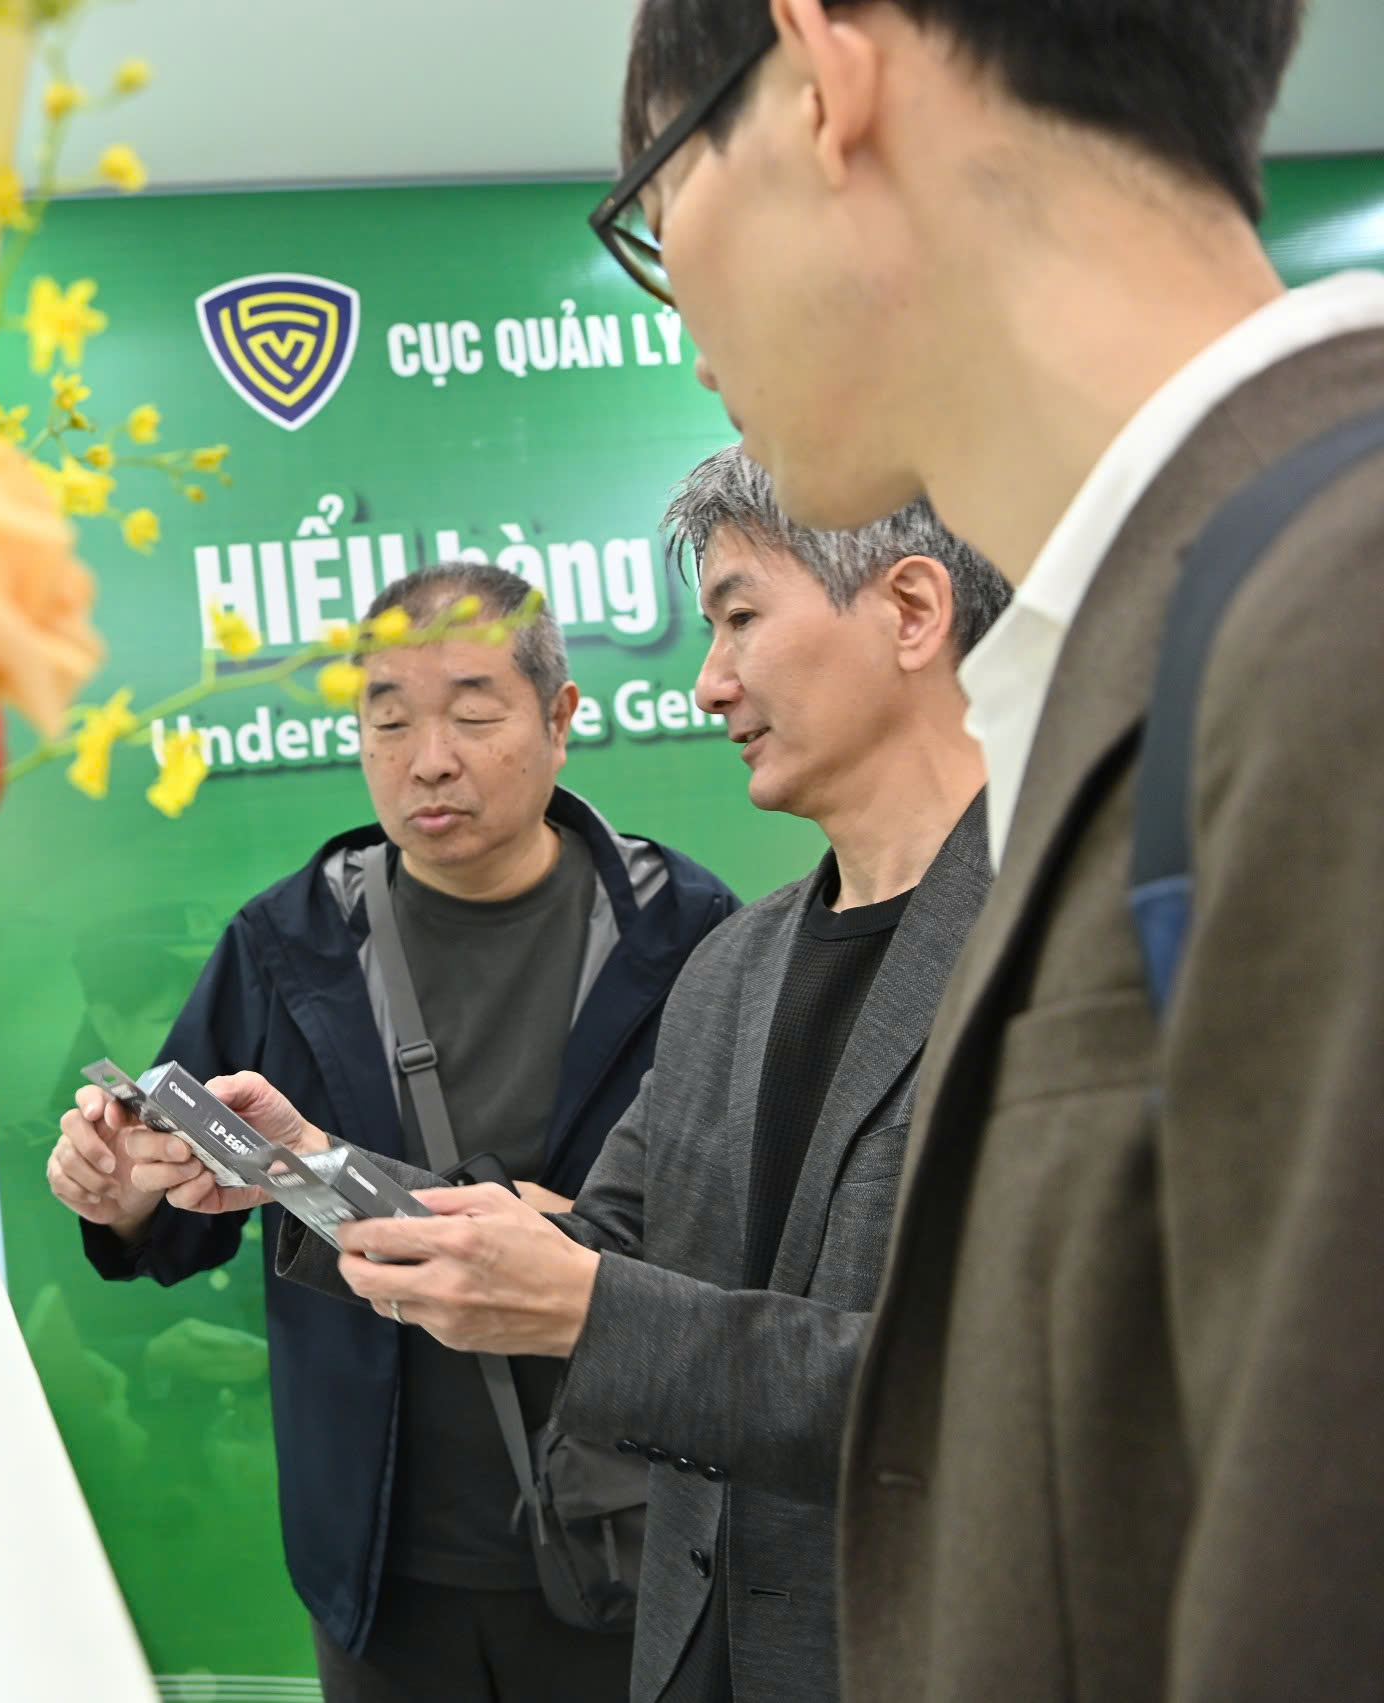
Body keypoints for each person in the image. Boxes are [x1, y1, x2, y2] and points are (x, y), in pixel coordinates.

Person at [600, 2, 1384, 1698]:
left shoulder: (1337, 626)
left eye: (659, 206)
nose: (689, 333)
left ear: (824, 78)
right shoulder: (1146, 664)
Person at [181, 447, 1011, 1703]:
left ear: (909, 610)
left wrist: (591, 1309)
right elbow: (607, 1239)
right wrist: (311, 1167)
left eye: (739, 617)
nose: (708, 680)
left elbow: (999, 1391)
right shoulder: (735, 967)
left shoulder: (1066, 945)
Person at [46, 563, 738, 1702]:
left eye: (473, 714)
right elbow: (180, 1215)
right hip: (378, 1557)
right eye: (390, 719)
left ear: (560, 718)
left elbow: (724, 1231)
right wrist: (124, 1191)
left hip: (634, 1532)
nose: (429, 759)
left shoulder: (686, 932)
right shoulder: (292, 940)